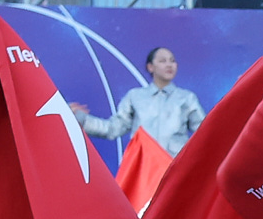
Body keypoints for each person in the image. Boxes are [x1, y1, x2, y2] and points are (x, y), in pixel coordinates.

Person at [70, 46, 205, 156]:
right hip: (142, 168)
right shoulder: (135, 96)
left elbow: (205, 132)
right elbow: (113, 128)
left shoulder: (187, 98)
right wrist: (81, 119)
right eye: (163, 61)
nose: (169, 65)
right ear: (150, 67)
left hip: (174, 167)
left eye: (172, 61)